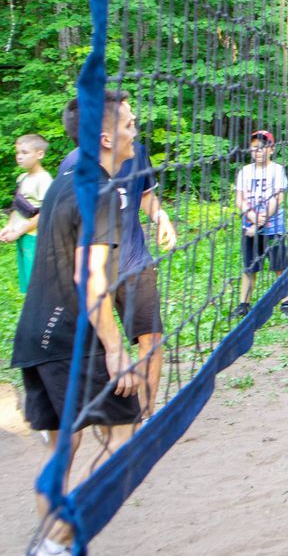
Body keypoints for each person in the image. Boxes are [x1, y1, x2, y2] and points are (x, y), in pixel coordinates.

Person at [11, 91, 143, 556]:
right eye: (128, 124)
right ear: (105, 137)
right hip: (72, 339)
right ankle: (52, 546)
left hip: (35, 335)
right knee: (122, 443)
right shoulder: (100, 190)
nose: (135, 131)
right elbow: (89, 280)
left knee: (61, 451)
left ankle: (54, 546)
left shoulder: (67, 178)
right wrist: (116, 349)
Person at [57, 100, 177, 419]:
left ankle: (146, 416)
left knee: (152, 338)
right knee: (100, 347)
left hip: (135, 262)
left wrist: (161, 217)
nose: (133, 123)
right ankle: (100, 415)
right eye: (127, 119)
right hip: (96, 269)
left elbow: (145, 194)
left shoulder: (136, 152)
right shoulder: (73, 165)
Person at [233, 130, 288, 320]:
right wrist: (251, 215)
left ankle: (285, 302)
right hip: (249, 226)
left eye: (262, 147)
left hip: (273, 228)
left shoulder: (277, 170)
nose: (258, 151)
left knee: (279, 265)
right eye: (254, 148)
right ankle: (243, 304)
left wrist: (263, 217)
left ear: (271, 150)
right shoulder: (245, 171)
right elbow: (239, 199)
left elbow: (278, 197)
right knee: (250, 267)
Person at [1, 133, 53, 294]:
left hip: (34, 238)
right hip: (22, 236)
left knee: (37, 285)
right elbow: (17, 207)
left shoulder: (44, 180)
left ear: (40, 154)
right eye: (18, 152)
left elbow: (44, 214)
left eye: (25, 152)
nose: (19, 156)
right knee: (28, 285)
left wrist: (18, 232)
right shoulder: (22, 178)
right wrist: (9, 227)